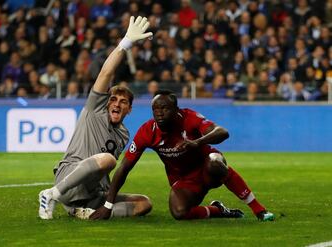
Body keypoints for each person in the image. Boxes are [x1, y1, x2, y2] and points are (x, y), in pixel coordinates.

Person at [91, 90, 275, 221]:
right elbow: (124, 168)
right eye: (155, 109)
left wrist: (197, 142)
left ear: (176, 110)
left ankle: (259, 210)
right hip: (183, 179)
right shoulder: (147, 132)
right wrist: (108, 205)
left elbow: (222, 132)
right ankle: (217, 210)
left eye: (165, 108)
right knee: (179, 213)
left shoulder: (189, 118)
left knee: (215, 163)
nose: (160, 113)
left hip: (206, 168)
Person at [38, 16, 153, 220]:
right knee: (108, 159)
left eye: (123, 102)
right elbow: (106, 73)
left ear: (129, 109)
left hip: (92, 192)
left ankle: (84, 213)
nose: (117, 103)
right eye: (114, 99)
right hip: (68, 180)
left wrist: (108, 198)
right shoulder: (95, 111)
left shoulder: (123, 134)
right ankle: (51, 194)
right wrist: (125, 43)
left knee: (144, 203)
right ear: (106, 102)